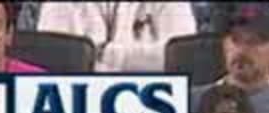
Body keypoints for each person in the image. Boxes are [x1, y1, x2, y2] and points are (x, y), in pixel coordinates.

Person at [35, 1, 196, 72]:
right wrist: (143, 60)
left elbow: (181, 56)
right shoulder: (58, 5)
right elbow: (58, 63)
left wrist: (105, 54)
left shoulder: (172, 4)